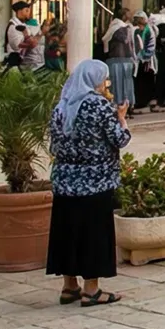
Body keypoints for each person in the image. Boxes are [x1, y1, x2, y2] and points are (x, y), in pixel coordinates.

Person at [46, 60, 131, 306]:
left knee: (68, 233)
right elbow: (119, 139)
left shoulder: (61, 107)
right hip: (95, 182)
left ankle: (69, 285)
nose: (107, 83)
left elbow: (54, 145)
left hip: (65, 181)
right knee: (93, 234)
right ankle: (91, 289)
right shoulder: (98, 105)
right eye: (104, 78)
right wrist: (122, 119)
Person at [104, 21, 139, 112]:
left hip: (116, 62)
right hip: (123, 62)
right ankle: (126, 104)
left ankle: (121, 104)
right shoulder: (122, 29)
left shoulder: (113, 30)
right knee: (123, 84)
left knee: (119, 84)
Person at [130, 13, 159, 112]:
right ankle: (141, 102)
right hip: (139, 61)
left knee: (149, 81)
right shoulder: (137, 31)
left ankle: (150, 102)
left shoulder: (149, 30)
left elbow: (151, 45)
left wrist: (145, 56)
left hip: (148, 61)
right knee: (141, 81)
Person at [4, 0, 42, 69]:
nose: (28, 14)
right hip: (16, 62)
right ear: (19, 11)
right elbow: (17, 46)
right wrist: (31, 43)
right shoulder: (14, 27)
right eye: (26, 11)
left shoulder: (23, 25)